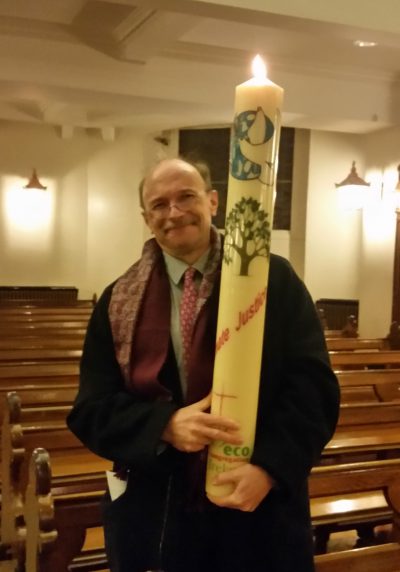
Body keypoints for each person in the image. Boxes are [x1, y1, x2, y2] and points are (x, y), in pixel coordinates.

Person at [67, 157, 340, 572]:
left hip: (257, 504)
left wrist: (270, 469)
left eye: (186, 197)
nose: (173, 213)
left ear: (213, 202)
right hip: (158, 509)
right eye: (159, 204)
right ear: (146, 218)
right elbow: (91, 409)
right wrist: (164, 425)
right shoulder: (117, 299)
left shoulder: (272, 279)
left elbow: (312, 390)